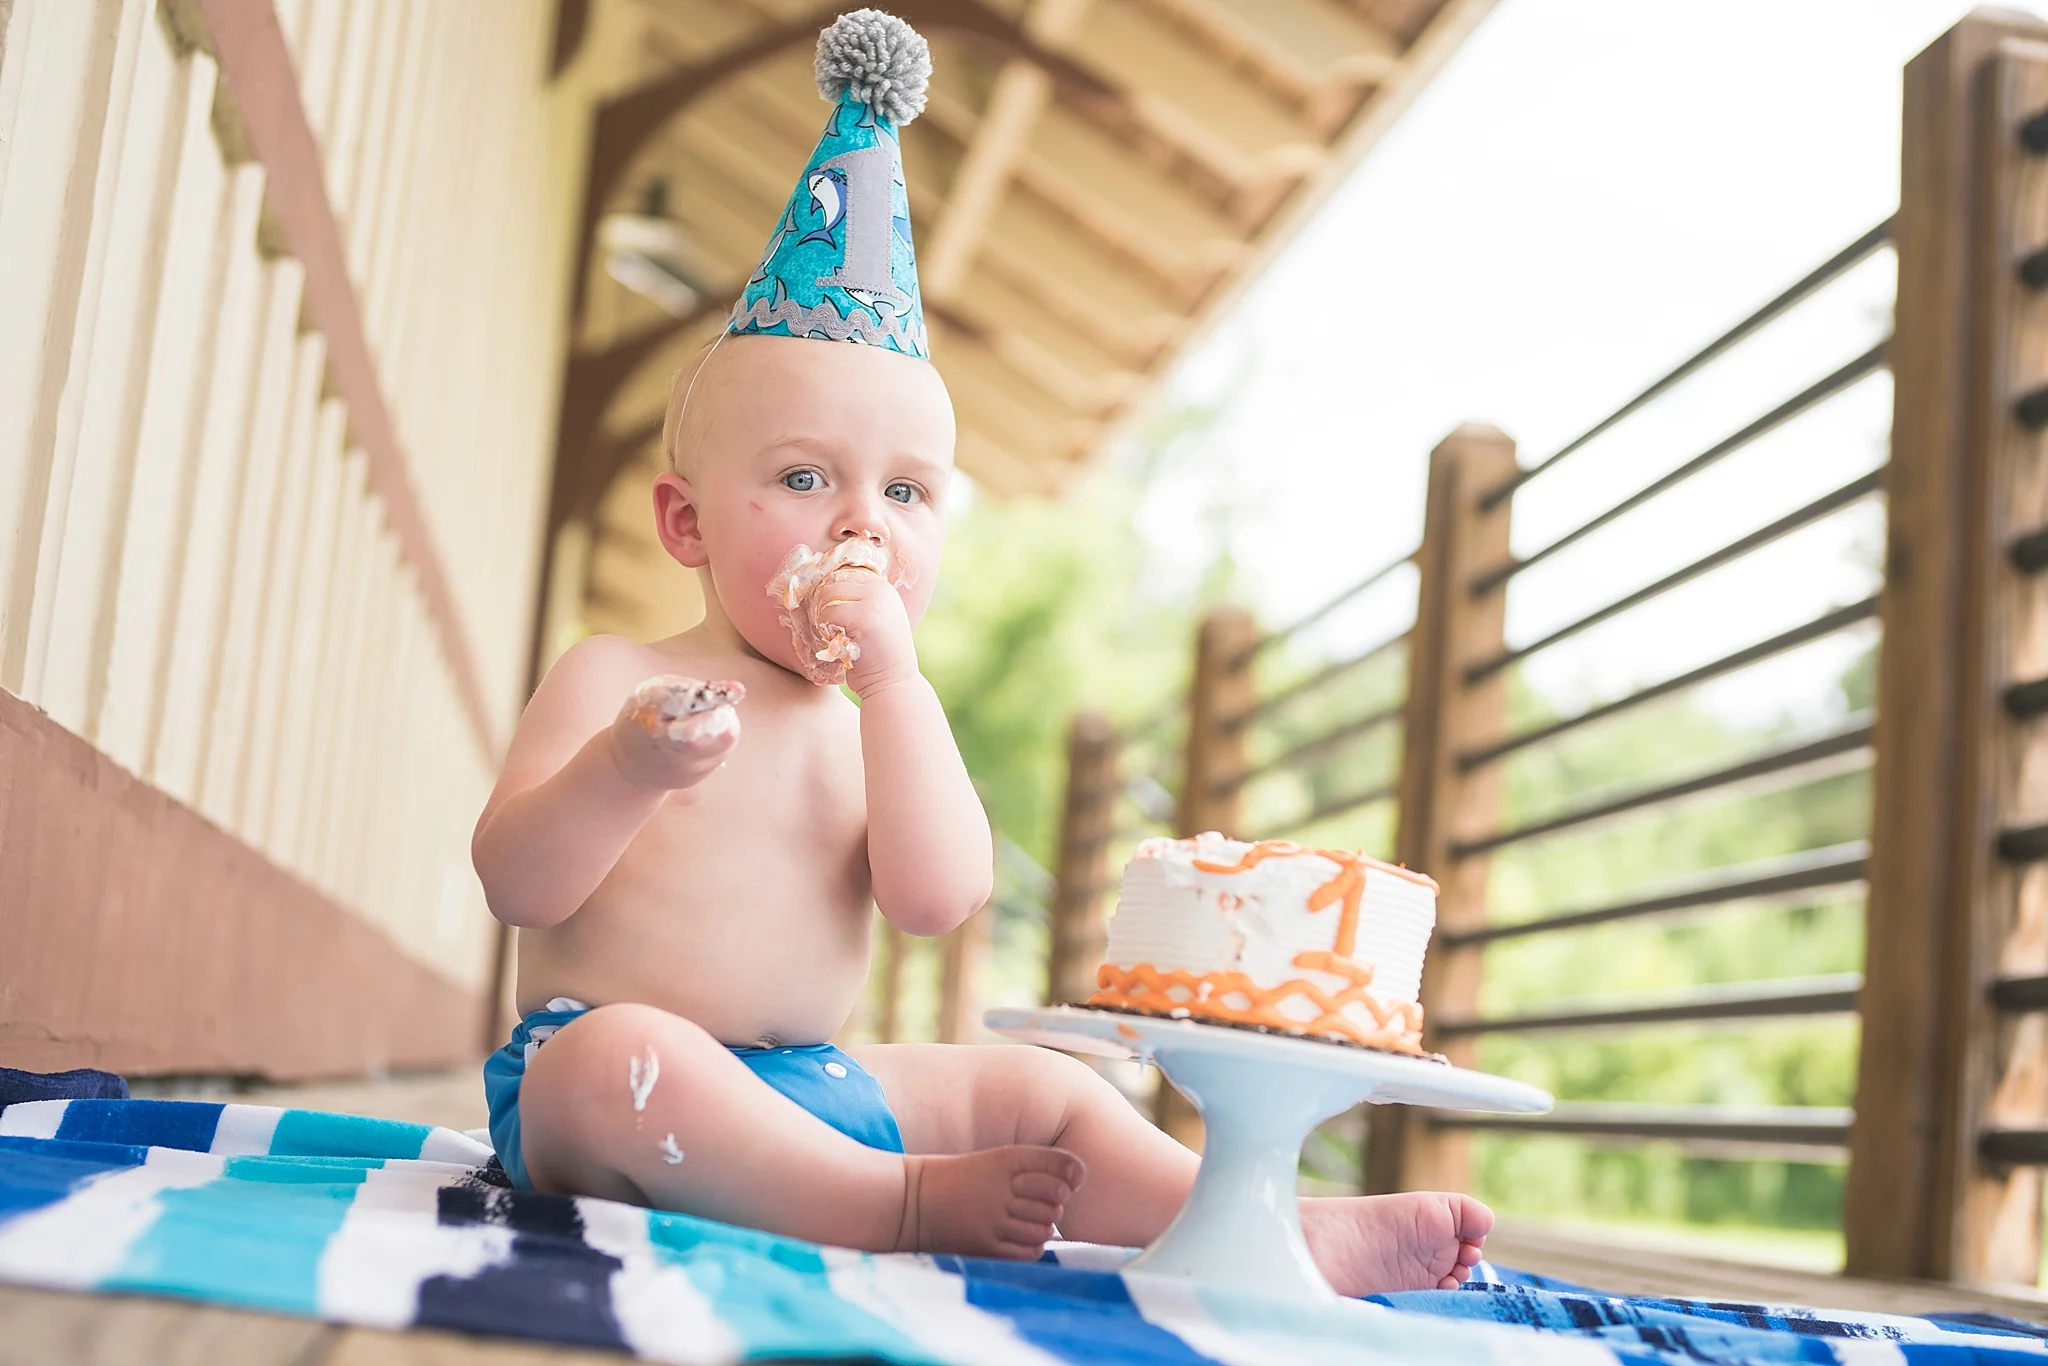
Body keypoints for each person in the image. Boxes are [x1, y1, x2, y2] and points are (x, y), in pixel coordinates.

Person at [472, 9, 1491, 1294]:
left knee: (1031, 1086)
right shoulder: (617, 677)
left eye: (906, 494)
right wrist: (627, 770)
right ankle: (888, 1204)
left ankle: (1246, 1222)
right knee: (616, 1055)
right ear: (684, 520)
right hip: (610, 1090)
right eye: (802, 476)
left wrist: (894, 685)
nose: (859, 522)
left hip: (808, 1087)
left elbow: (935, 898)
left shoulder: (874, 721)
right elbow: (517, 882)